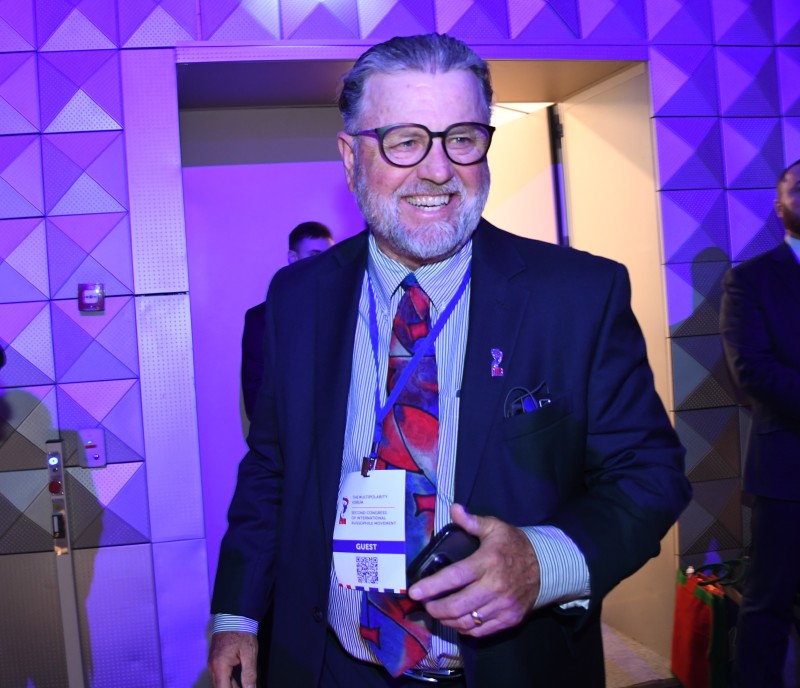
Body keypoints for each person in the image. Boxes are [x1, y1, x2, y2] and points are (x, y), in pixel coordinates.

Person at [209, 33, 691, 688]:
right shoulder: (298, 298)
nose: (438, 170)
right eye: (405, 141)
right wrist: (236, 614)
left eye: (461, 138)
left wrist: (542, 564)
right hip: (330, 665)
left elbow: (650, 475)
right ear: (350, 156)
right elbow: (270, 467)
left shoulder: (578, 296)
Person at [720, 158, 800, 688]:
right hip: (789, 468)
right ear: (779, 206)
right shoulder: (750, 279)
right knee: (770, 602)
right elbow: (752, 369)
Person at [241, 221, 334, 420]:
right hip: (287, 432)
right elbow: (256, 400)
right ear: (293, 257)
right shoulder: (262, 319)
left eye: (330, 256)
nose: (325, 263)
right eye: (315, 255)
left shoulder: (346, 310)